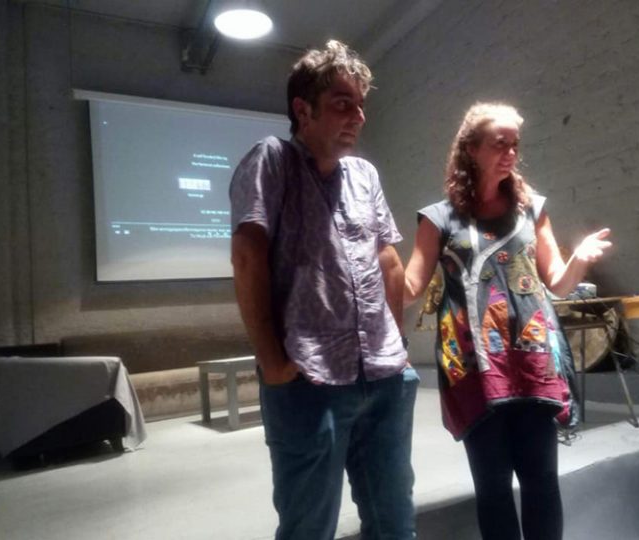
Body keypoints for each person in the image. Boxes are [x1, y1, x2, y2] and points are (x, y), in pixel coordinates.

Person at [229, 40, 418, 540]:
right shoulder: (272, 160)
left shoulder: (364, 174)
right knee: (308, 527)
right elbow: (247, 257)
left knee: (395, 522)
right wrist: (271, 362)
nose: (358, 116)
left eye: (361, 105)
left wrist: (396, 344)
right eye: (342, 103)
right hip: (309, 381)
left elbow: (388, 261)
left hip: (384, 377)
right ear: (302, 110)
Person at [403, 102, 612, 540]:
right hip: (473, 369)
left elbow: (557, 283)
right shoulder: (438, 219)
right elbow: (409, 288)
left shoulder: (531, 209)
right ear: (471, 149)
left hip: (532, 363)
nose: (511, 154)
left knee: (541, 481)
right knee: (493, 487)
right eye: (500, 144)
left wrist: (579, 260)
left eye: (515, 145)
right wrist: (379, 258)